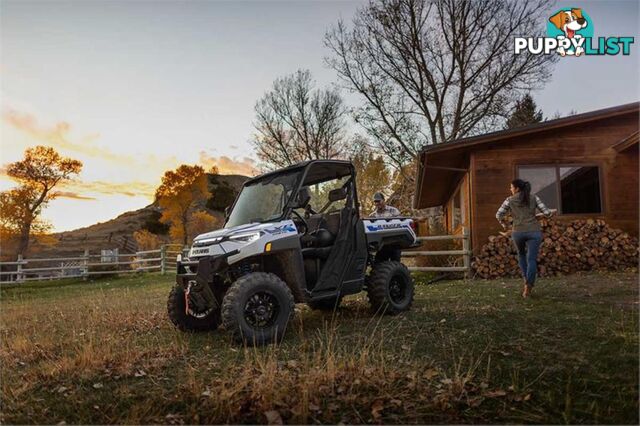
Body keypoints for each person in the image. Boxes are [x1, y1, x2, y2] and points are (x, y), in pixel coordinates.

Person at [496, 179, 554, 298]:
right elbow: (547, 213)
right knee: (531, 259)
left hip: (518, 232)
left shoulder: (509, 200)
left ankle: (525, 280)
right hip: (534, 231)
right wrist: (548, 214)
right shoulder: (534, 198)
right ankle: (529, 285)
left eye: (511, 187)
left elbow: (498, 215)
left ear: (517, 188)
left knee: (521, 255)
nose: (510, 189)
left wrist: (505, 225)